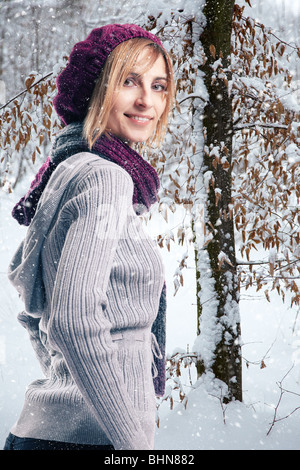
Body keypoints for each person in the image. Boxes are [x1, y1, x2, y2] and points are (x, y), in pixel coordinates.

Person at [4, 24, 175, 451]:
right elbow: (73, 318)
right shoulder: (105, 178)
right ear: (95, 90)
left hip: (51, 431)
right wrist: (132, 441)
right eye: (129, 81)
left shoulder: (70, 168)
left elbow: (33, 308)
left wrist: (67, 380)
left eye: (159, 86)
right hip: (90, 439)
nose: (146, 101)